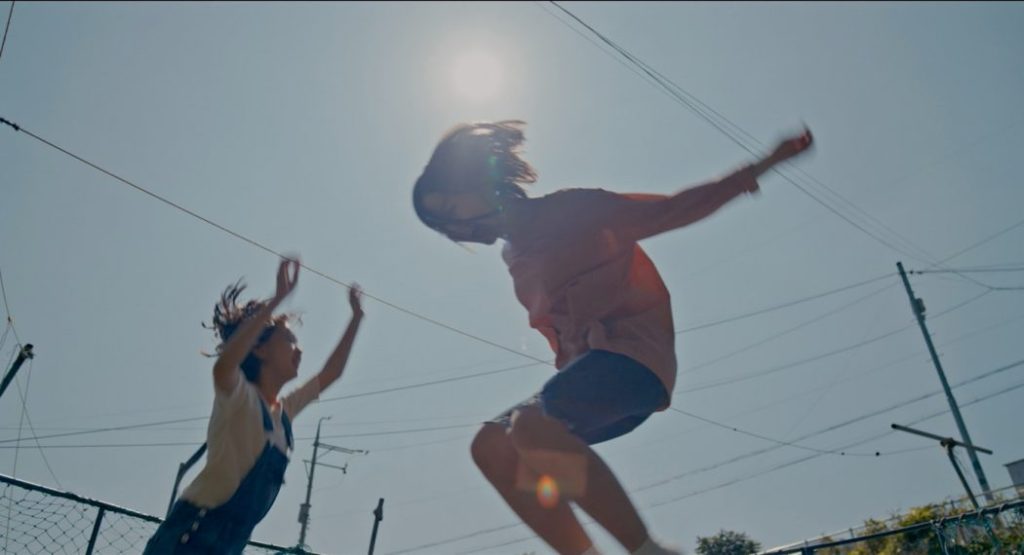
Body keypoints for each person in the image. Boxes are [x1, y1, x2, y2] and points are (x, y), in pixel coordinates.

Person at [411, 121, 813, 555]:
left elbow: (675, 209)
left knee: (530, 425)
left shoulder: (572, 210)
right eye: (442, 225)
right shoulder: (515, 254)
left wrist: (765, 164)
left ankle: (648, 551)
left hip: (634, 360)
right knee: (490, 443)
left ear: (473, 181)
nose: (454, 226)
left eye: (450, 207)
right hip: (590, 375)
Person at [144, 258, 365, 554]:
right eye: (289, 339)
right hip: (188, 536)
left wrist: (356, 318)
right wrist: (277, 300)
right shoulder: (237, 395)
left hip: (229, 546)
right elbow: (225, 365)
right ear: (258, 349)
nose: (299, 349)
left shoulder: (284, 413)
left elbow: (331, 374)